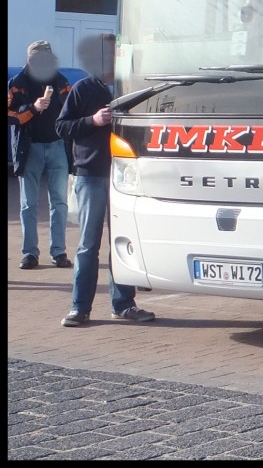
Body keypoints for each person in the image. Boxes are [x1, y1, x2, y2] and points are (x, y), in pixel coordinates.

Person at [56, 36, 155, 327]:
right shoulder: (83, 88)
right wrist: (93, 121)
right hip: (92, 175)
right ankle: (79, 308)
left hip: (125, 176)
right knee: (88, 244)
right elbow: (61, 126)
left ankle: (123, 304)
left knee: (121, 242)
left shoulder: (132, 88)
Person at [8, 40, 73, 270]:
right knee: (28, 204)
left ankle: (59, 251)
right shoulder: (17, 83)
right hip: (30, 148)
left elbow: (73, 110)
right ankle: (30, 254)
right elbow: (11, 116)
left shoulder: (61, 81)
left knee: (59, 202)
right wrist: (33, 108)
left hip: (57, 147)